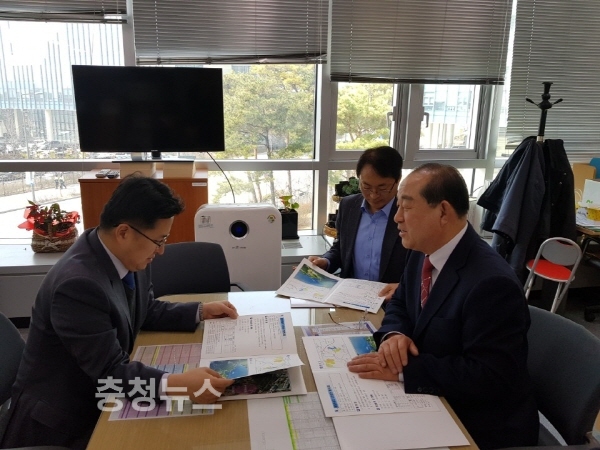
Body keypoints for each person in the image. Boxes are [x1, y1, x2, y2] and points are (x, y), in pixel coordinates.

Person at [0, 175, 238, 450]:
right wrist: (179, 384)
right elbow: (110, 373)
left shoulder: (122, 252)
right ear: (124, 232)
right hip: (64, 424)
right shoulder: (77, 285)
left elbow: (144, 309)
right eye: (159, 240)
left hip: (101, 397)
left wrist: (199, 311)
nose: (161, 250)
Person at [347, 163, 539, 449]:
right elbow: (400, 302)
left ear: (443, 212)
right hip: (435, 399)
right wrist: (394, 335)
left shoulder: (492, 284)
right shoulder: (422, 251)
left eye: (406, 207)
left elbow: (489, 376)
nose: (397, 217)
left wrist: (404, 370)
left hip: (478, 425)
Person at [308, 146, 407, 301]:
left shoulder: (408, 213)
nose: (373, 195)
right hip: (349, 299)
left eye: (383, 188)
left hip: (390, 302)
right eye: (366, 186)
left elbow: (418, 267)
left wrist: (402, 289)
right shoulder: (349, 206)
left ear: (398, 179)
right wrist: (326, 262)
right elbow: (341, 248)